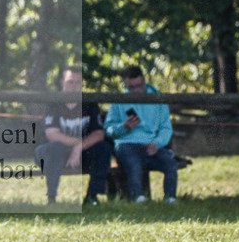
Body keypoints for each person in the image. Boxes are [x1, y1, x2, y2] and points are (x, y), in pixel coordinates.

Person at [34, 66, 112, 205]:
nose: (74, 86)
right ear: (62, 82)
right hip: (51, 155)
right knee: (55, 147)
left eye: (78, 82)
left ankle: (92, 197)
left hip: (81, 155)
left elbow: (99, 134)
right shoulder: (53, 103)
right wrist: (78, 143)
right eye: (70, 82)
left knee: (103, 147)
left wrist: (78, 148)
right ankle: (51, 198)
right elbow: (52, 134)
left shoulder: (89, 104)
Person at [103, 65, 179, 204]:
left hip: (152, 144)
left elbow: (165, 128)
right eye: (131, 88)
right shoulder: (119, 101)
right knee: (133, 162)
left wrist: (157, 143)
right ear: (126, 85)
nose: (136, 91)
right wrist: (124, 127)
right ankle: (138, 197)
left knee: (170, 163)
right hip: (127, 144)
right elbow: (108, 129)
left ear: (144, 80)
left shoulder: (158, 99)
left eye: (138, 86)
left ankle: (170, 198)